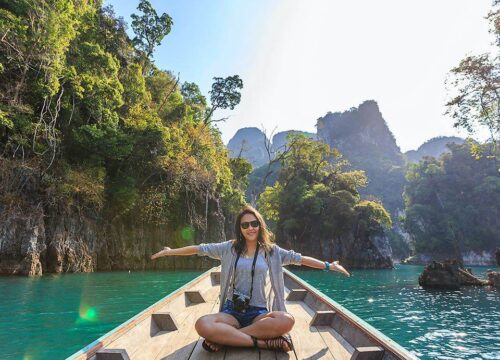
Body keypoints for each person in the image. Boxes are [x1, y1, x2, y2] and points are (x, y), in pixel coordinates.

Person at [151, 205, 350, 353]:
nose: (250, 228)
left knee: (286, 320)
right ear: (240, 228)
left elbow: (301, 259)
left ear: (260, 225)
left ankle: (227, 338)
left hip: (258, 313)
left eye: (254, 223)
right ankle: (262, 343)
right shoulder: (228, 248)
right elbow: (199, 249)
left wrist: (328, 266)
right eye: (245, 225)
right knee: (202, 324)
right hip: (232, 311)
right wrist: (170, 252)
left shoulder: (272, 252)